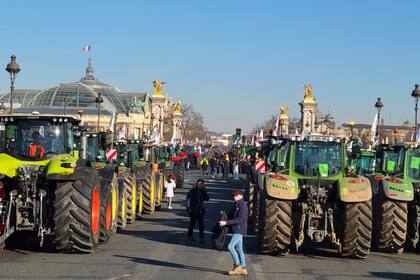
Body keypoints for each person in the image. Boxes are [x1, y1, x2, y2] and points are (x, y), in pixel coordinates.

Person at [219, 190, 248, 276]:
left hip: (240, 229)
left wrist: (226, 223)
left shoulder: (243, 206)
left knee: (230, 246)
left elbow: (240, 220)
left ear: (241, 196)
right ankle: (243, 267)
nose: (234, 197)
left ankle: (237, 266)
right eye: (234, 196)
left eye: (236, 195)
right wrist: (224, 216)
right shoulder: (236, 204)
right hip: (237, 229)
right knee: (239, 249)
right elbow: (231, 215)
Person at [186, 178, 209, 243]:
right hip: (193, 210)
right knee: (192, 224)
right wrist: (188, 208)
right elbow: (188, 199)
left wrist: (204, 192)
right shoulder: (192, 191)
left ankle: (201, 238)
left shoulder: (203, 191)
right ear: (197, 183)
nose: (200, 184)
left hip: (201, 210)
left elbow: (207, 199)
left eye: (201, 183)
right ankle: (189, 236)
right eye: (199, 183)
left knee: (201, 225)